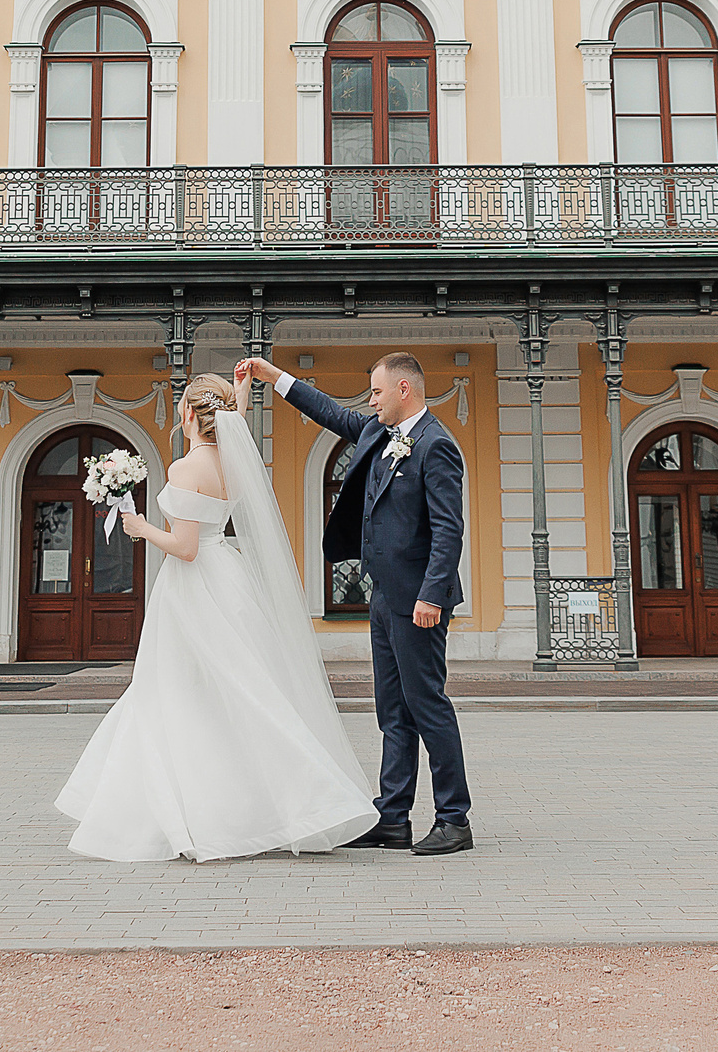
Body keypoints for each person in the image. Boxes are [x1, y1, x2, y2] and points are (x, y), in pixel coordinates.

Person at [55, 376, 378, 862]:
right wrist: (240, 391)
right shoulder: (232, 459)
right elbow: (233, 428)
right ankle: (284, 802)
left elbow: (185, 548)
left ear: (189, 413)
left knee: (179, 693)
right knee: (241, 688)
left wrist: (141, 528)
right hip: (228, 577)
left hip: (193, 588)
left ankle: (199, 813)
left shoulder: (186, 468)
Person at [233, 351, 473, 856]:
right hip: (383, 595)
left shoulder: (436, 446)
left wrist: (432, 595)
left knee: (427, 705)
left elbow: (449, 529)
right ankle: (393, 818)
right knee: (392, 711)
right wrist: (274, 377)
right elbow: (329, 411)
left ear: (404, 390)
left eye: (378, 392)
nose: (371, 400)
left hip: (419, 601)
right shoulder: (377, 434)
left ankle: (454, 819)